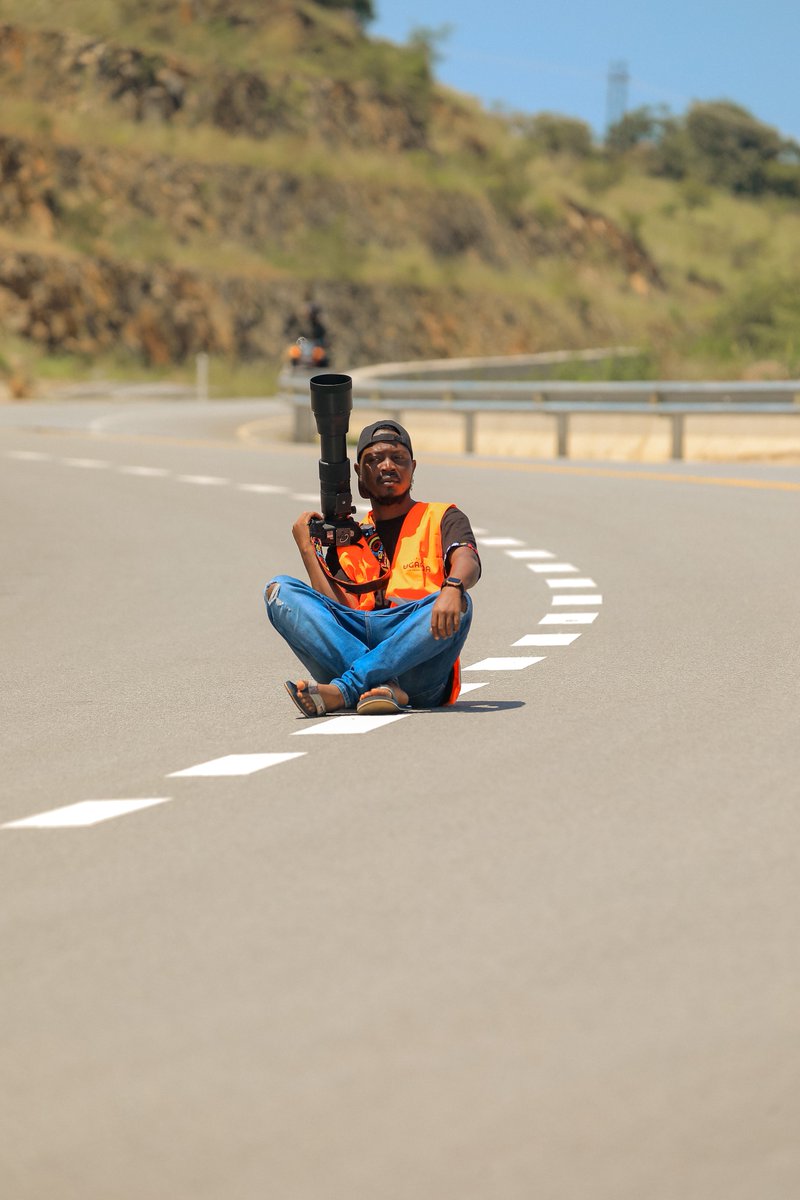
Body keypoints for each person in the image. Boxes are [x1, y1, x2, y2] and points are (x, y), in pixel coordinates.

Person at [264, 419, 481, 717]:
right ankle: (384, 685)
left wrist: (453, 587)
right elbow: (338, 612)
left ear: (413, 467)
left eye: (398, 458)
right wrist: (307, 549)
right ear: (359, 472)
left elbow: (467, 559)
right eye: (375, 459)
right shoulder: (350, 536)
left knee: (462, 603)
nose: (387, 466)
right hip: (360, 638)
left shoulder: (442, 516)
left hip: (420, 660)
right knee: (280, 591)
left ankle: (347, 689)